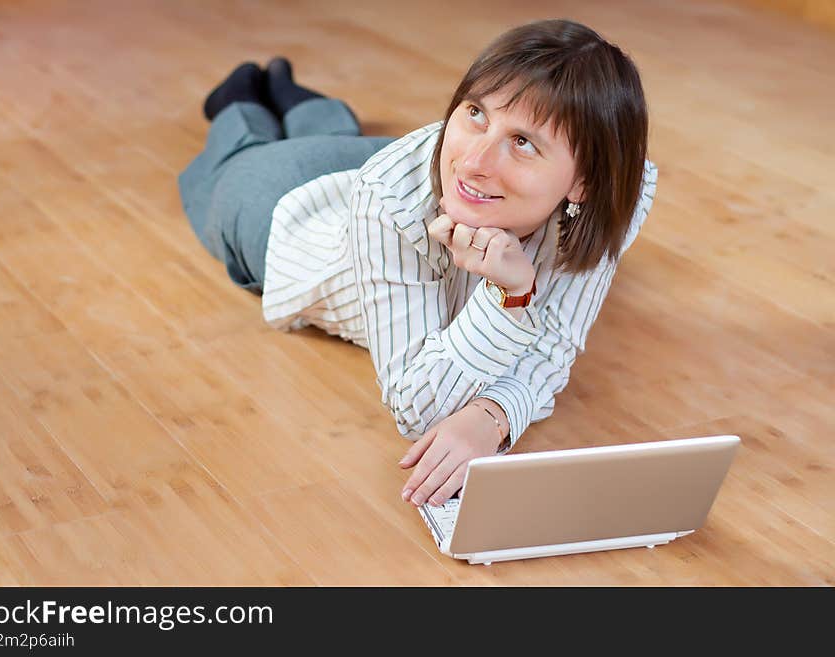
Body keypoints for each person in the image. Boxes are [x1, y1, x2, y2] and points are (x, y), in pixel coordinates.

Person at [177, 19, 658, 511]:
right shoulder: (390, 198)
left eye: (523, 142)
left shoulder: (620, 186)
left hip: (370, 166)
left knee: (345, 139)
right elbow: (418, 404)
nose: (474, 160)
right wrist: (508, 296)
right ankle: (241, 100)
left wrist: (490, 415)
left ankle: (304, 102)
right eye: (475, 112)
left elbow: (555, 345)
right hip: (284, 211)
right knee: (239, 156)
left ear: (585, 183)